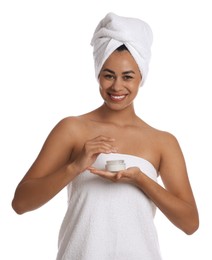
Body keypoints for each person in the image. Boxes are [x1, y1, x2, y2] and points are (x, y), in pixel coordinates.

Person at [12, 12, 199, 260]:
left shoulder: (163, 142)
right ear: (98, 74)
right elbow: (21, 203)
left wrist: (141, 180)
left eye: (128, 76)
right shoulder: (72, 129)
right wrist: (75, 166)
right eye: (108, 75)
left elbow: (190, 223)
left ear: (142, 76)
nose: (117, 87)